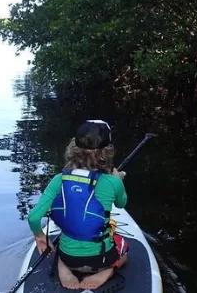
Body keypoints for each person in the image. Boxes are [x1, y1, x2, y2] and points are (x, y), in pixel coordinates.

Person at [27, 120, 129, 290]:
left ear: (73, 148)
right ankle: (108, 271)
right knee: (124, 250)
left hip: (70, 258)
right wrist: (118, 180)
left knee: (61, 248)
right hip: (102, 260)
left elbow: (33, 218)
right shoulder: (113, 182)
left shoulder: (58, 179)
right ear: (108, 151)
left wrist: (39, 237)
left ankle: (63, 266)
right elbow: (121, 203)